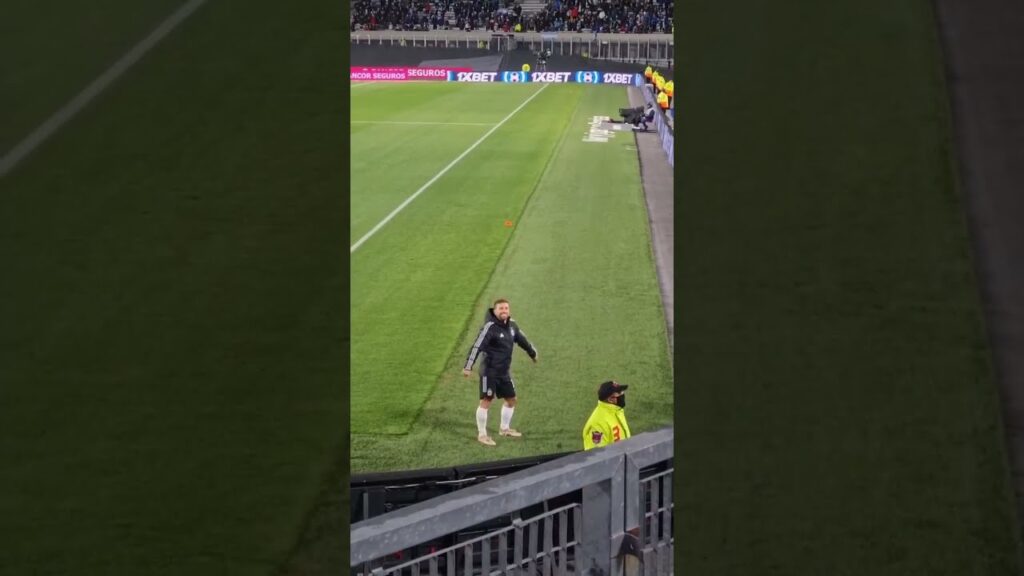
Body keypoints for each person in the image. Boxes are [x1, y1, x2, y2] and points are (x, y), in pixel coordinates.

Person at [463, 298, 539, 446]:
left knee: (511, 400)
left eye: (506, 308)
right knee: (486, 401)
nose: (504, 311)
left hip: (504, 372)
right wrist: (468, 366)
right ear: (495, 310)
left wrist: (532, 353)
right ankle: (482, 434)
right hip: (489, 371)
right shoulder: (489, 327)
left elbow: (522, 340)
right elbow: (477, 346)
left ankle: (504, 429)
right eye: (501, 308)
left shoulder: (512, 325)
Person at [582, 381, 632, 450]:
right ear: (610, 399)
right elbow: (597, 454)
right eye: (619, 393)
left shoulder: (616, 411)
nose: (622, 394)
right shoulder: (597, 425)